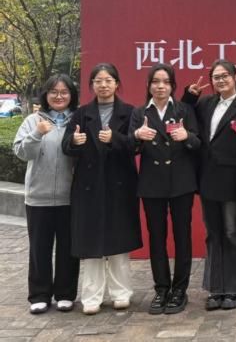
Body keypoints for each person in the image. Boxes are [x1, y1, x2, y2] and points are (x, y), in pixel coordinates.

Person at [62, 63, 142, 315]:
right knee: (91, 242)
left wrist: (114, 139)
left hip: (120, 184)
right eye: (98, 81)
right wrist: (74, 141)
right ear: (92, 85)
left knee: (119, 240)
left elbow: (136, 145)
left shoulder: (130, 112)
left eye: (108, 80)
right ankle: (92, 296)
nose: (103, 85)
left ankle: (121, 292)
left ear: (117, 84)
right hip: (89, 186)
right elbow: (66, 145)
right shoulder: (81, 114)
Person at [182, 59, 236, 311]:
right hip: (207, 178)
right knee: (213, 233)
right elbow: (184, 114)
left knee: (233, 232)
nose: (220, 80)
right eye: (216, 77)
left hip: (232, 180)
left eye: (225, 75)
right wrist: (190, 96)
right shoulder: (205, 104)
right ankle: (216, 288)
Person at [130, 63, 200, 314]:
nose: (160, 86)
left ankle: (180, 290)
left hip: (181, 181)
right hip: (152, 183)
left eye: (166, 82)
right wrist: (137, 136)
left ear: (172, 86)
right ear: (149, 85)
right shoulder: (140, 112)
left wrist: (187, 136)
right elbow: (129, 147)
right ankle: (161, 289)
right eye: (156, 82)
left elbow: (198, 142)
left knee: (182, 236)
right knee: (156, 237)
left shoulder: (183, 109)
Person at [13, 74, 81, 314]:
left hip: (69, 197)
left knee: (68, 249)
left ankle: (65, 294)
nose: (59, 96)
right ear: (46, 95)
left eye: (64, 92)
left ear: (71, 95)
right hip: (38, 197)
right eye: (54, 92)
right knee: (39, 248)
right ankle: (39, 295)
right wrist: (37, 134)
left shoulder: (78, 120)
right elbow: (21, 152)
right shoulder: (33, 120)